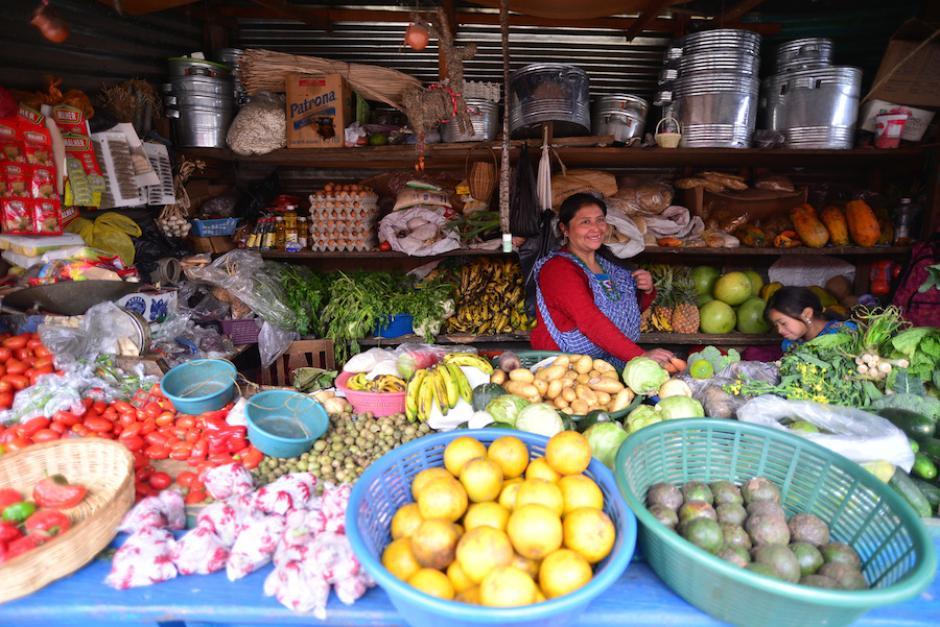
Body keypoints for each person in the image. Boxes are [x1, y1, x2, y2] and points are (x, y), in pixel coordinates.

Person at [530, 192, 674, 368]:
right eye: (585, 222)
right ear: (564, 229)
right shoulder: (558, 270)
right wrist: (640, 355)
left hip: (604, 363)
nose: (596, 228)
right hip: (565, 368)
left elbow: (622, 312)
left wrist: (647, 290)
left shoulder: (606, 265)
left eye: (600, 220)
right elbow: (590, 320)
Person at [765, 286, 855, 352]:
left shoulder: (845, 333)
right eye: (776, 325)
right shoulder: (790, 345)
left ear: (807, 314)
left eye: (783, 323)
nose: (779, 330)